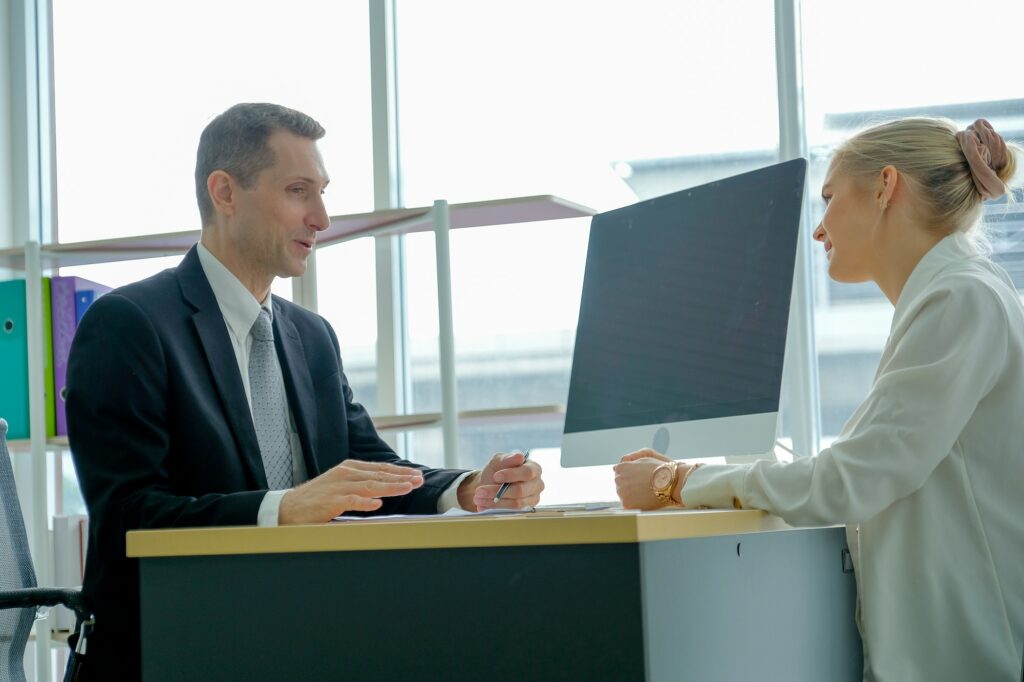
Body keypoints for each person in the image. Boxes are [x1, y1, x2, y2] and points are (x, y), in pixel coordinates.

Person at [65, 103, 544, 679]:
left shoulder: (311, 337)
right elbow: (127, 515)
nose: (321, 217)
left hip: (299, 637)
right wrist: (285, 509)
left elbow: (369, 473)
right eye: (298, 191)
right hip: (176, 648)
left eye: (321, 192)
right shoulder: (130, 323)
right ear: (225, 192)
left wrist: (467, 488)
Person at [613, 118, 1023, 681]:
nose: (818, 229)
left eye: (829, 198)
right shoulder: (952, 296)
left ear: (884, 185)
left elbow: (849, 480)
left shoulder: (961, 300)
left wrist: (679, 481)